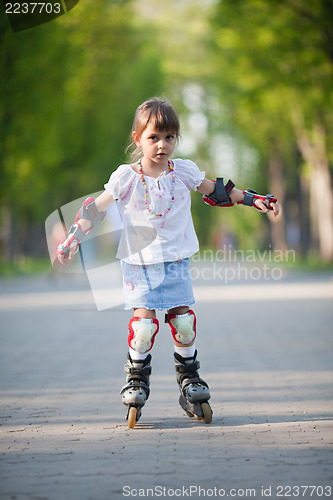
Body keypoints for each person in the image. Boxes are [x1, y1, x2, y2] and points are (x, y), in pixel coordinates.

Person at [57, 97, 279, 429]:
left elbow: (218, 191)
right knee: (144, 328)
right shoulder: (126, 177)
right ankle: (136, 378)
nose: (162, 145)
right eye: (154, 137)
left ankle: (189, 380)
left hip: (175, 261)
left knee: (184, 323)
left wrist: (254, 199)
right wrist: (73, 236)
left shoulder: (183, 171)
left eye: (169, 137)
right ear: (137, 138)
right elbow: (95, 208)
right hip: (139, 264)